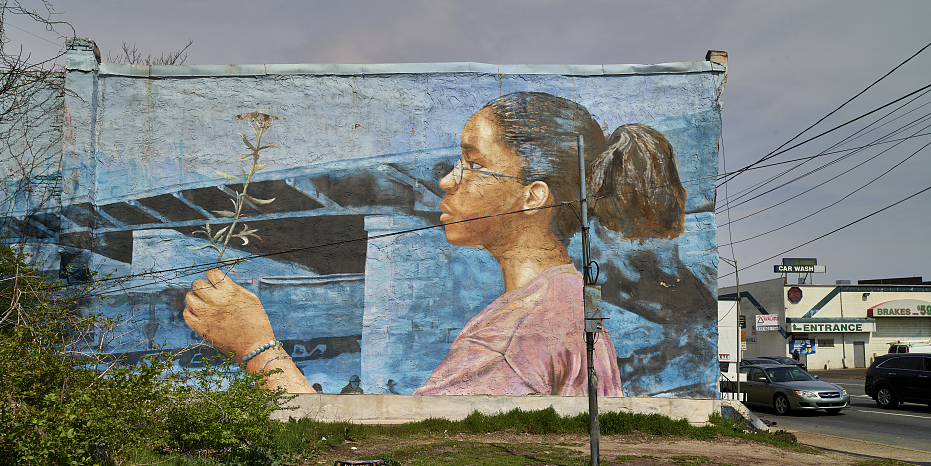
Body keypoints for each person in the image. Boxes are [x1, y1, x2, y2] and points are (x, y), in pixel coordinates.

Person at [184, 91, 686, 397]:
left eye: (470, 162)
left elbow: (388, 463)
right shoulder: (569, 301)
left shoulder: (509, 339)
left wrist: (255, 345)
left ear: (533, 196)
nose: (448, 180)